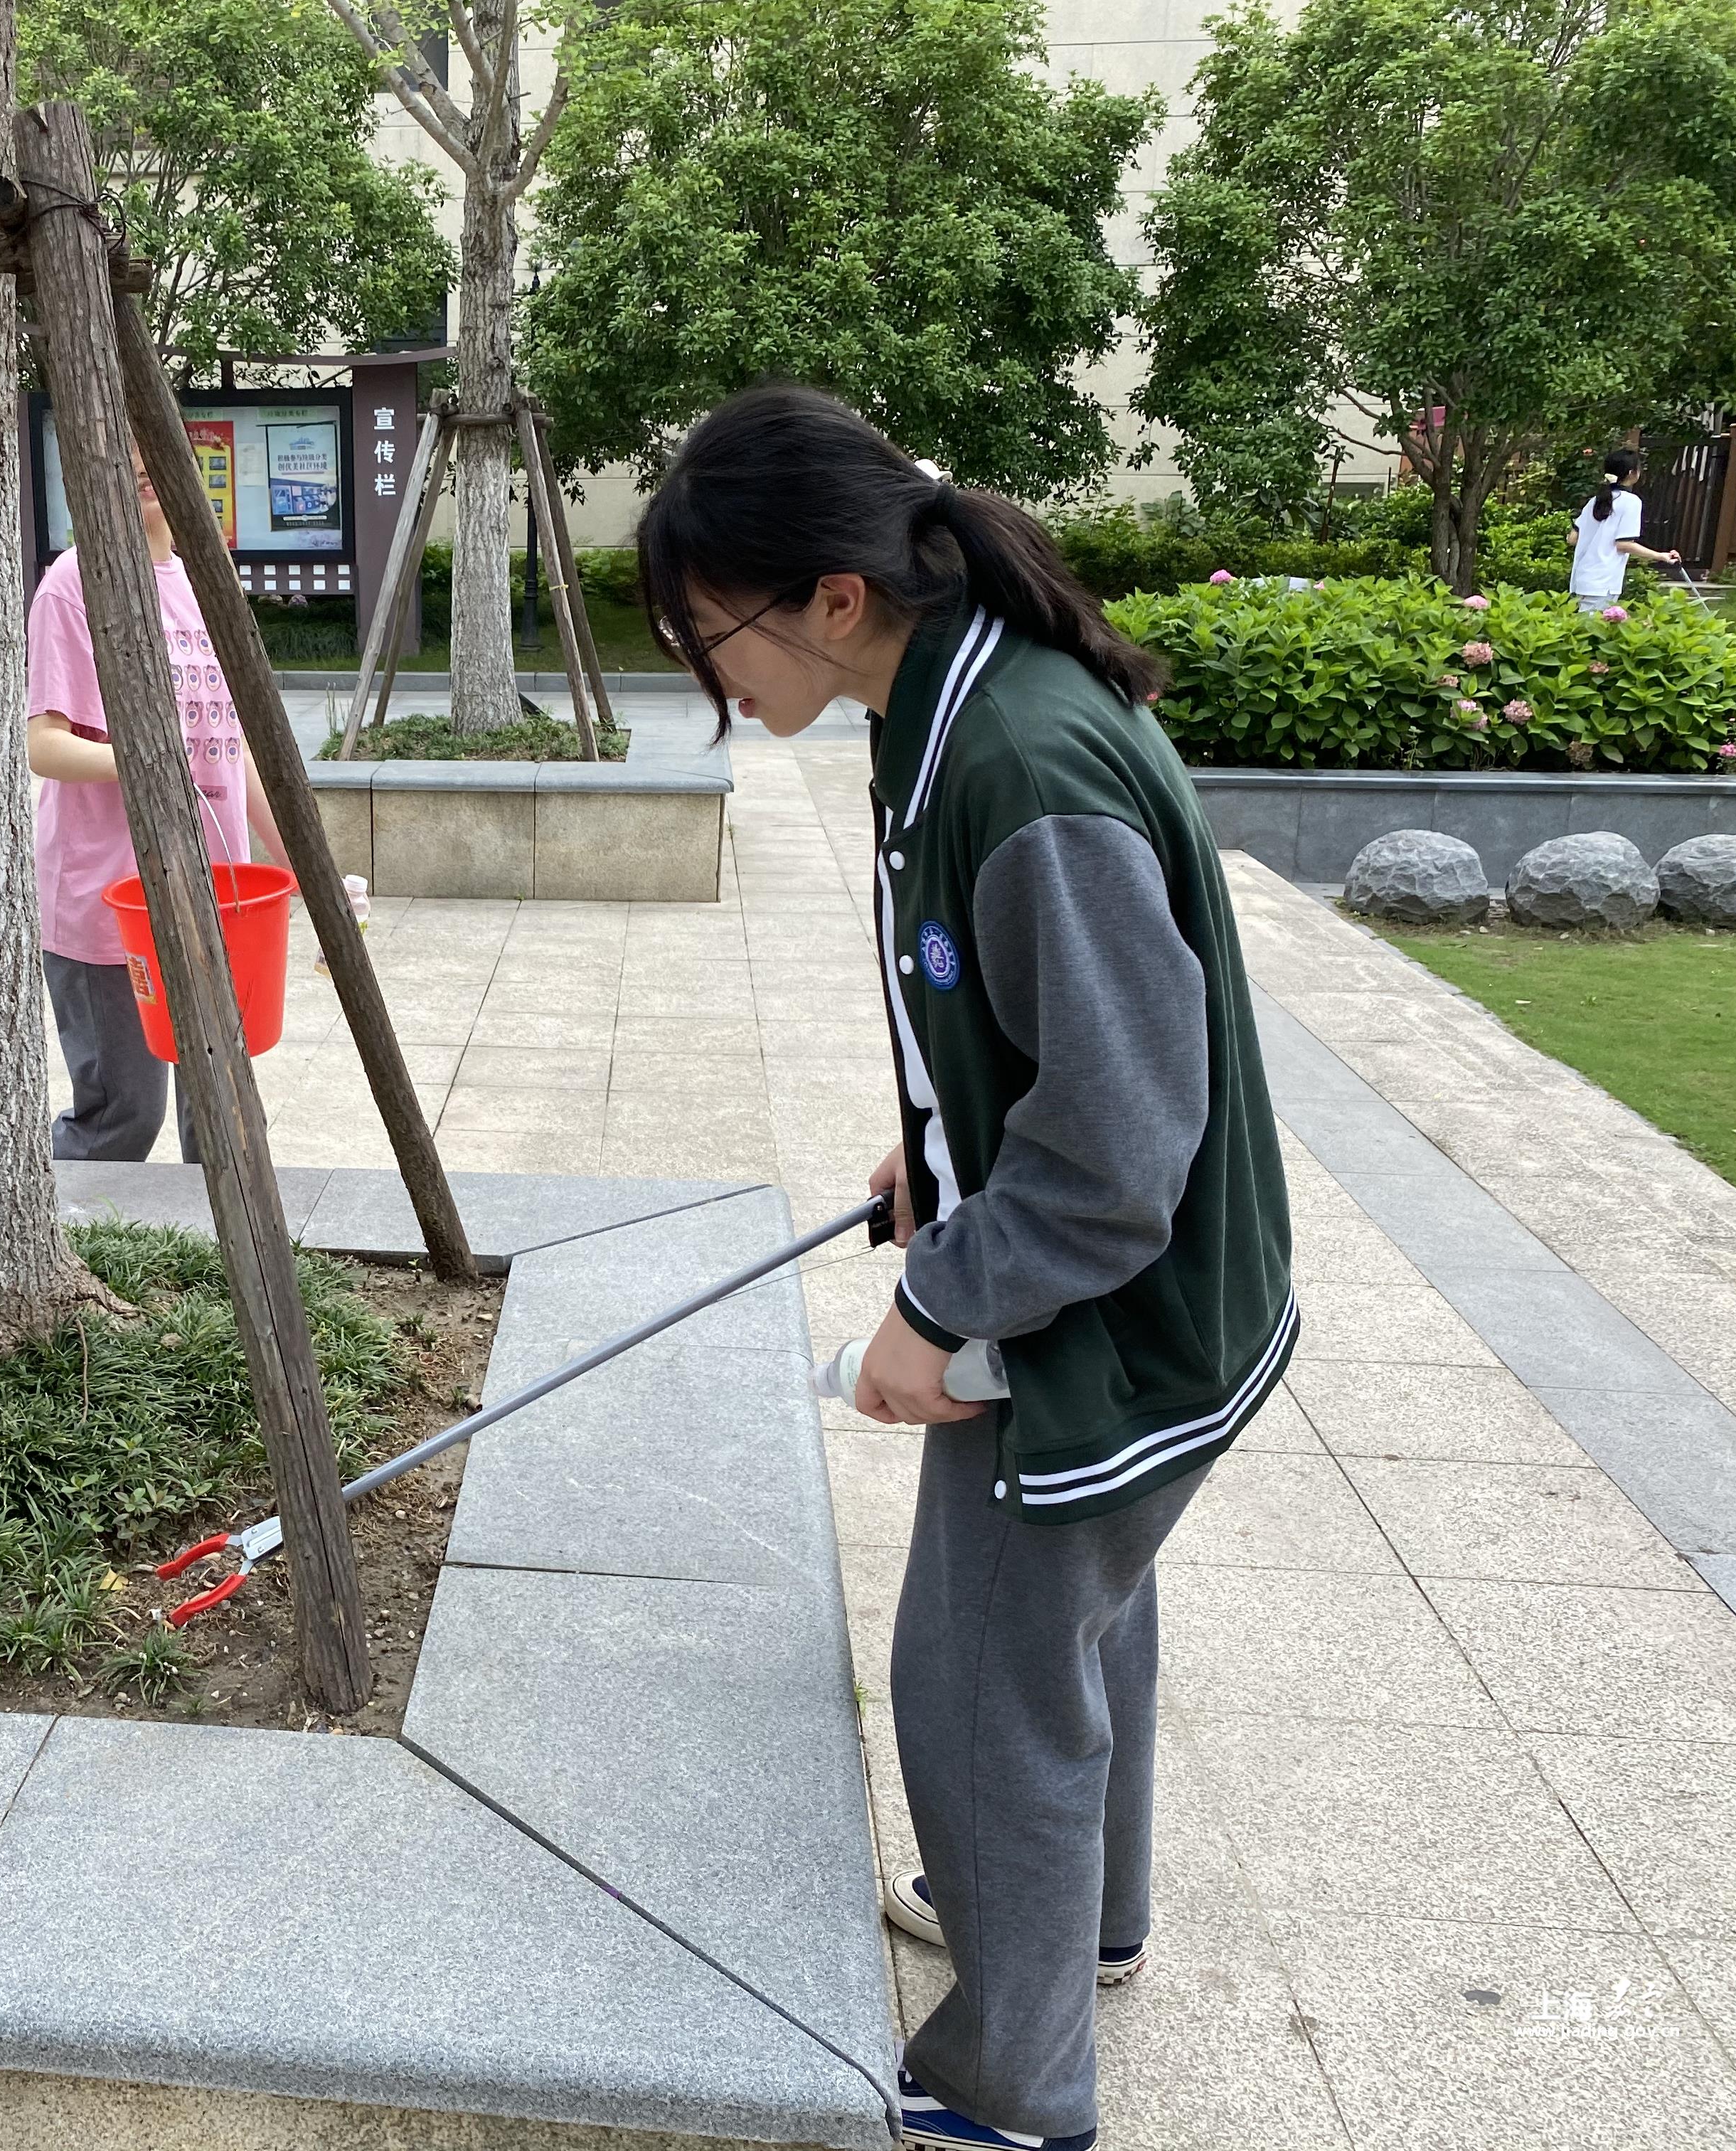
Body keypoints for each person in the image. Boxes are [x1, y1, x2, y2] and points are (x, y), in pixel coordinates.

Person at [639, 385, 1296, 2151]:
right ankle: (1082, 1926)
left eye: (713, 636)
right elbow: (1034, 1029)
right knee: (1081, 1613)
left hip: (1109, 1321)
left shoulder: (1017, 760)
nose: (712, 680)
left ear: (833, 597)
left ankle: (1014, 2085)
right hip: (1152, 1294)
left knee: (980, 1679)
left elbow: (1120, 1146)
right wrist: (939, 1142)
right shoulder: (949, 700)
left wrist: (935, 1308)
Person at [27, 442, 284, 1161]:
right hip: (110, 899)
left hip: (216, 894)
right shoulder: (75, 582)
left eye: (154, 443)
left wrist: (305, 864)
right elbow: (44, 745)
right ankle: (47, 1217)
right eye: (123, 444)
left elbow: (232, 747)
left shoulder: (207, 582)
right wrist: (144, 761)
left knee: (224, 1112)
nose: (142, 461)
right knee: (123, 1118)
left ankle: (221, 1234)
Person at [1571, 450, 1680, 610]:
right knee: (1596, 624)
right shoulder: (1631, 502)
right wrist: (1661, 556)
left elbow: (1572, 539)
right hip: (1604, 581)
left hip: (1582, 577)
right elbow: (1624, 544)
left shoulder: (1594, 501)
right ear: (1631, 473)